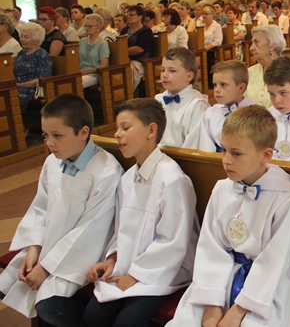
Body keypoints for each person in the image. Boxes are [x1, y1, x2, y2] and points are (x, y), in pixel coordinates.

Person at [167, 105, 290, 327]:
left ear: (266, 155)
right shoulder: (221, 189)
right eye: (223, 150)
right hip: (221, 275)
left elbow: (275, 260)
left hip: (269, 284)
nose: (226, 160)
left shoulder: (285, 200)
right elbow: (210, 246)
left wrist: (238, 310)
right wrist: (212, 304)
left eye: (236, 153)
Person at [0, 94, 121, 322]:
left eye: (57, 135)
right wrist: (34, 248)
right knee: (7, 285)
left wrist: (46, 267)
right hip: (47, 244)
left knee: (50, 307)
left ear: (83, 132)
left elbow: (90, 230)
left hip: (80, 255)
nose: (49, 143)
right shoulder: (52, 162)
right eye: (45, 135)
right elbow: (40, 208)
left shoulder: (105, 171)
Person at [85, 98, 198, 327]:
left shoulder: (172, 179)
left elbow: (173, 241)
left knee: (128, 322)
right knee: (93, 315)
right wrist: (112, 259)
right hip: (130, 264)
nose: (117, 134)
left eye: (125, 128)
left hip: (164, 269)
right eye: (117, 128)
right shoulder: (128, 178)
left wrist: (136, 275)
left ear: (151, 130)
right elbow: (121, 230)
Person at [155, 48, 209, 149]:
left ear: (189, 76)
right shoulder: (158, 100)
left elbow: (193, 146)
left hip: (182, 157)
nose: (164, 75)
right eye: (163, 70)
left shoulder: (196, 105)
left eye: (172, 71)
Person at [199, 60, 255, 153]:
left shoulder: (255, 115)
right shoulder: (209, 114)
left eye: (223, 85)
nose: (217, 90)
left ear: (241, 88)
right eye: (215, 85)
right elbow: (205, 150)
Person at [14, 23, 54, 112]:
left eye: (26, 37)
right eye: (21, 36)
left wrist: (20, 85)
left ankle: (14, 119)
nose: (21, 39)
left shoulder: (42, 55)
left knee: (12, 96)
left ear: (36, 40)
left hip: (33, 89)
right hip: (17, 86)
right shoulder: (21, 53)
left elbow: (42, 79)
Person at [122, 5, 154, 90]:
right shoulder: (125, 30)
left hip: (141, 62)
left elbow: (139, 49)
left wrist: (122, 52)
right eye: (127, 15)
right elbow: (119, 44)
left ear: (140, 17)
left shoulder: (146, 31)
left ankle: (129, 91)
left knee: (128, 69)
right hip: (124, 60)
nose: (128, 17)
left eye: (131, 15)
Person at [79, 13, 110, 88]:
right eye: (86, 26)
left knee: (77, 83)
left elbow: (104, 65)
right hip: (80, 72)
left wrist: (85, 72)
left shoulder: (103, 43)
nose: (87, 28)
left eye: (90, 26)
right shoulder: (82, 41)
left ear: (98, 27)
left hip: (94, 74)